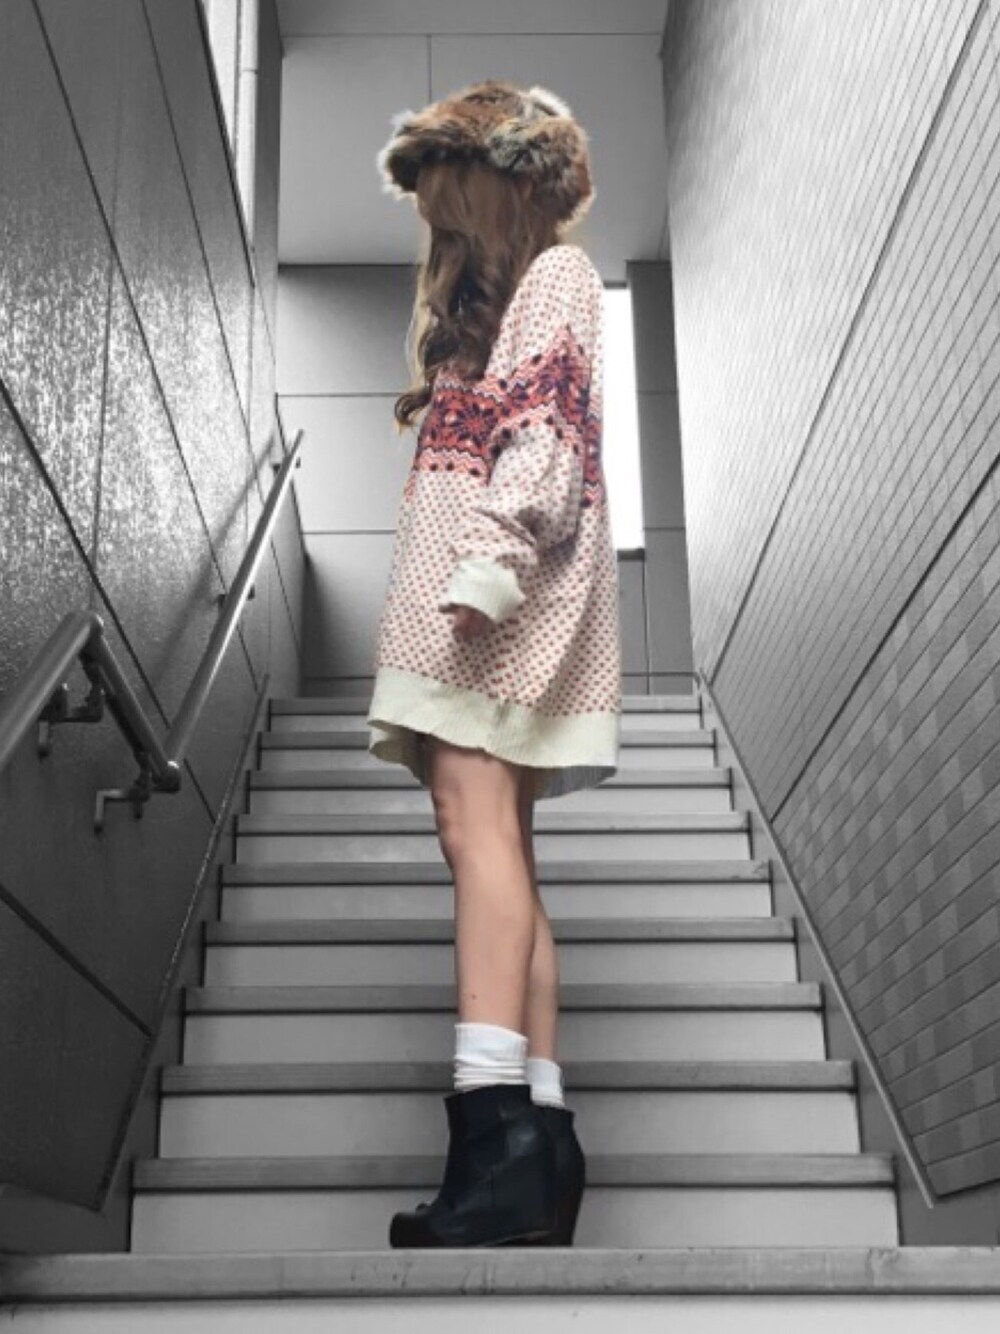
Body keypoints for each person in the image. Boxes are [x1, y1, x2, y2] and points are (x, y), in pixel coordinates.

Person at [368, 78, 623, 1248]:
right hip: (486, 594)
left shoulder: (555, 276)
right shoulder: (504, 302)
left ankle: (493, 1130)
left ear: (497, 185)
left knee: (474, 836)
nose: (436, 218)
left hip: (491, 605)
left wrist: (489, 564)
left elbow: (547, 434)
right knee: (500, 845)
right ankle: (541, 1138)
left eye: (446, 190)